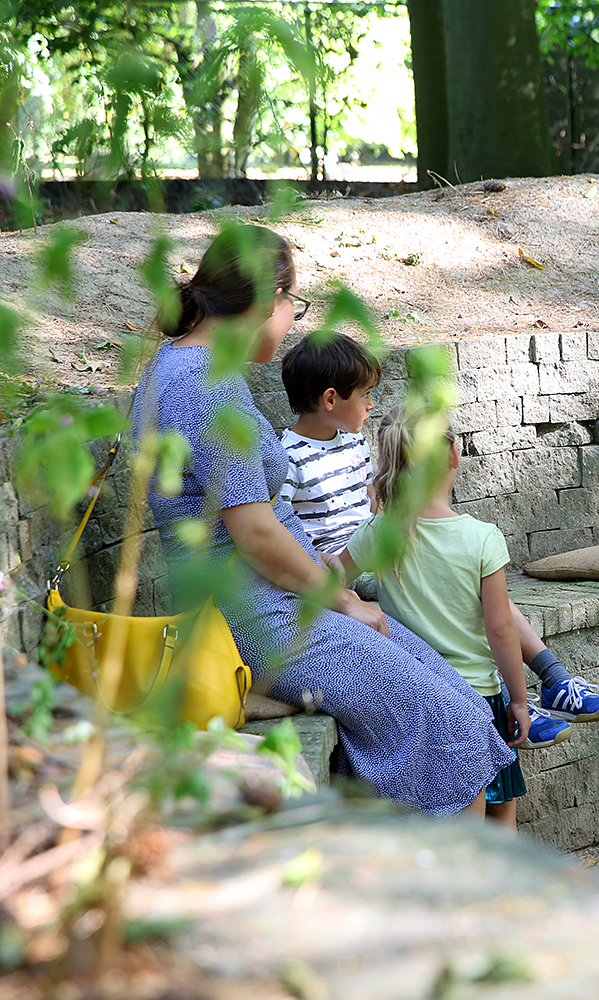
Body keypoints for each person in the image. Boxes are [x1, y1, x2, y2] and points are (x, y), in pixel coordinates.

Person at [132, 224, 516, 813]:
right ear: (267, 300)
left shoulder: (189, 368)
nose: (293, 318)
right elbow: (255, 532)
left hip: (276, 603)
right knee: (451, 724)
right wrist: (342, 602)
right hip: (261, 617)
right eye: (294, 301)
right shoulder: (204, 387)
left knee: (453, 695)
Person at [276, 333, 599, 745]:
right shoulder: (286, 456)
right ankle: (519, 702)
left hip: (379, 549)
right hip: (341, 567)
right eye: (365, 394)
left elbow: (374, 496)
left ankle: (553, 680)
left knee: (485, 598)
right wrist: (321, 566)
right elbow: (280, 526)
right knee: (474, 603)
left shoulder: (352, 442)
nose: (371, 404)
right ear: (331, 399)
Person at [335, 407, 533, 831]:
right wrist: (518, 698)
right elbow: (501, 629)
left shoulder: (381, 533)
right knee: (500, 812)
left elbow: (333, 580)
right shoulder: (482, 539)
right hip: (479, 699)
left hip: (417, 695)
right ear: (454, 455)